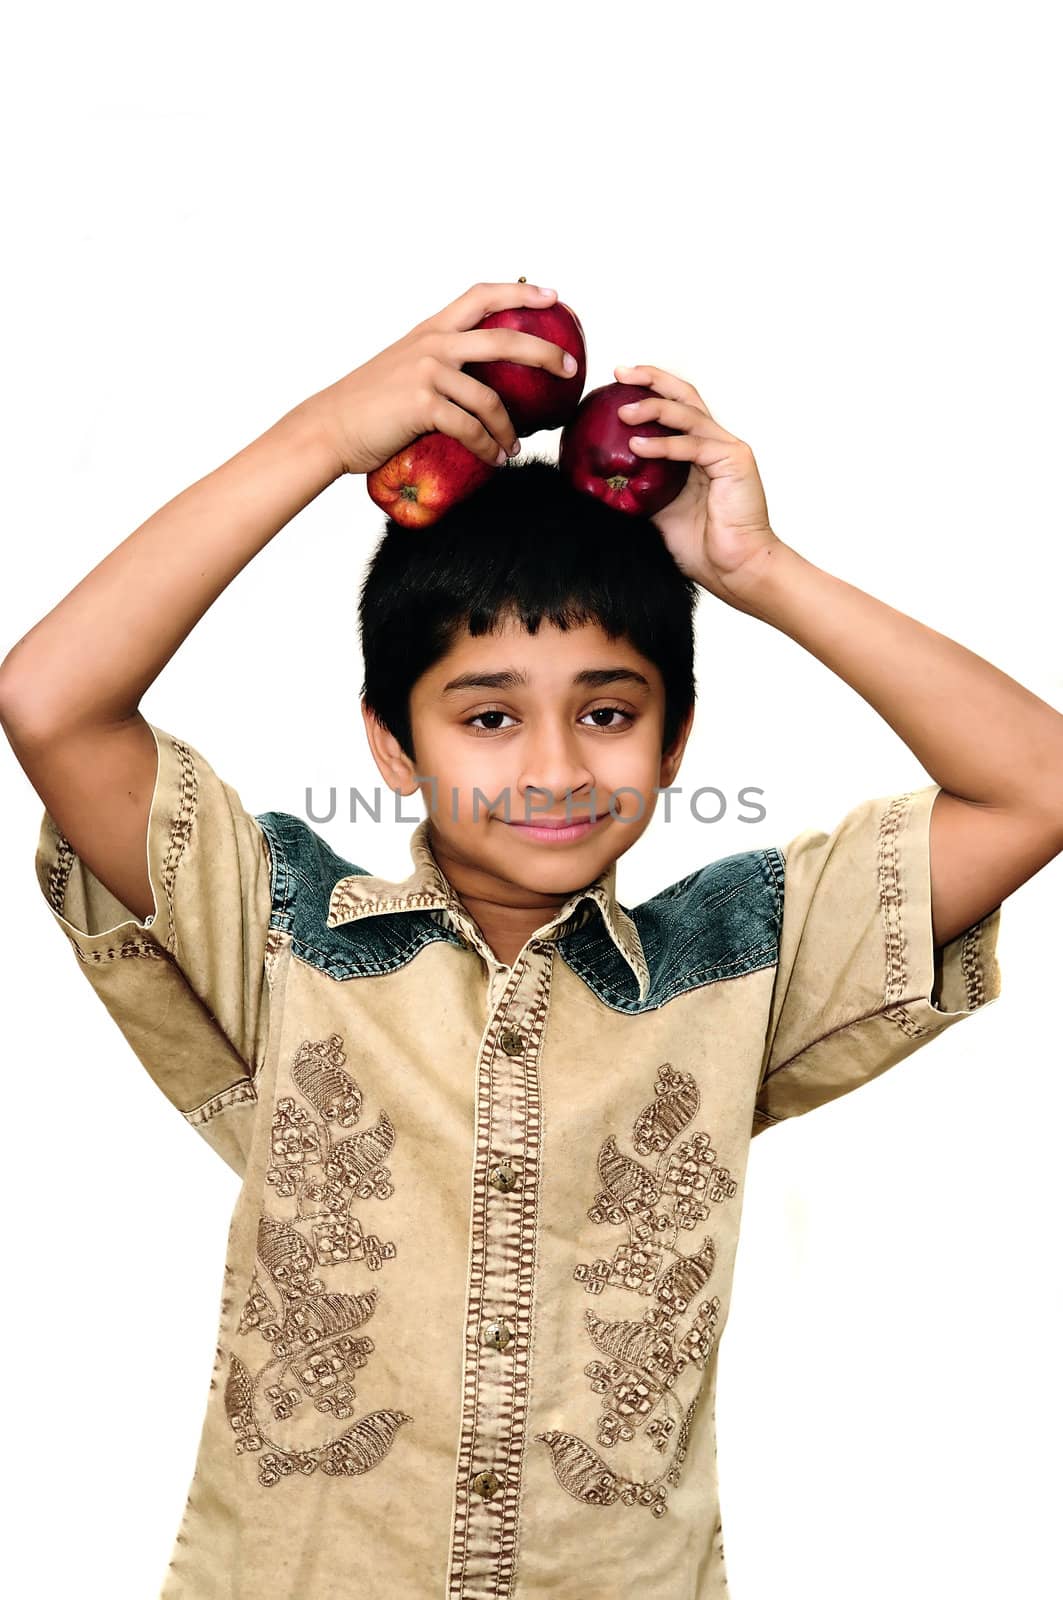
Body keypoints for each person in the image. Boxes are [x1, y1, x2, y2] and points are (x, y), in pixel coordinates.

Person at [2, 279, 1060, 1600]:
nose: (555, 765)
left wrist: (760, 576)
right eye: (488, 717)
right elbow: (49, 702)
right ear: (392, 741)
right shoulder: (279, 934)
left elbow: (1036, 785)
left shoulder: (735, 965)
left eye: (608, 713)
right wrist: (326, 436)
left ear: (676, 742)